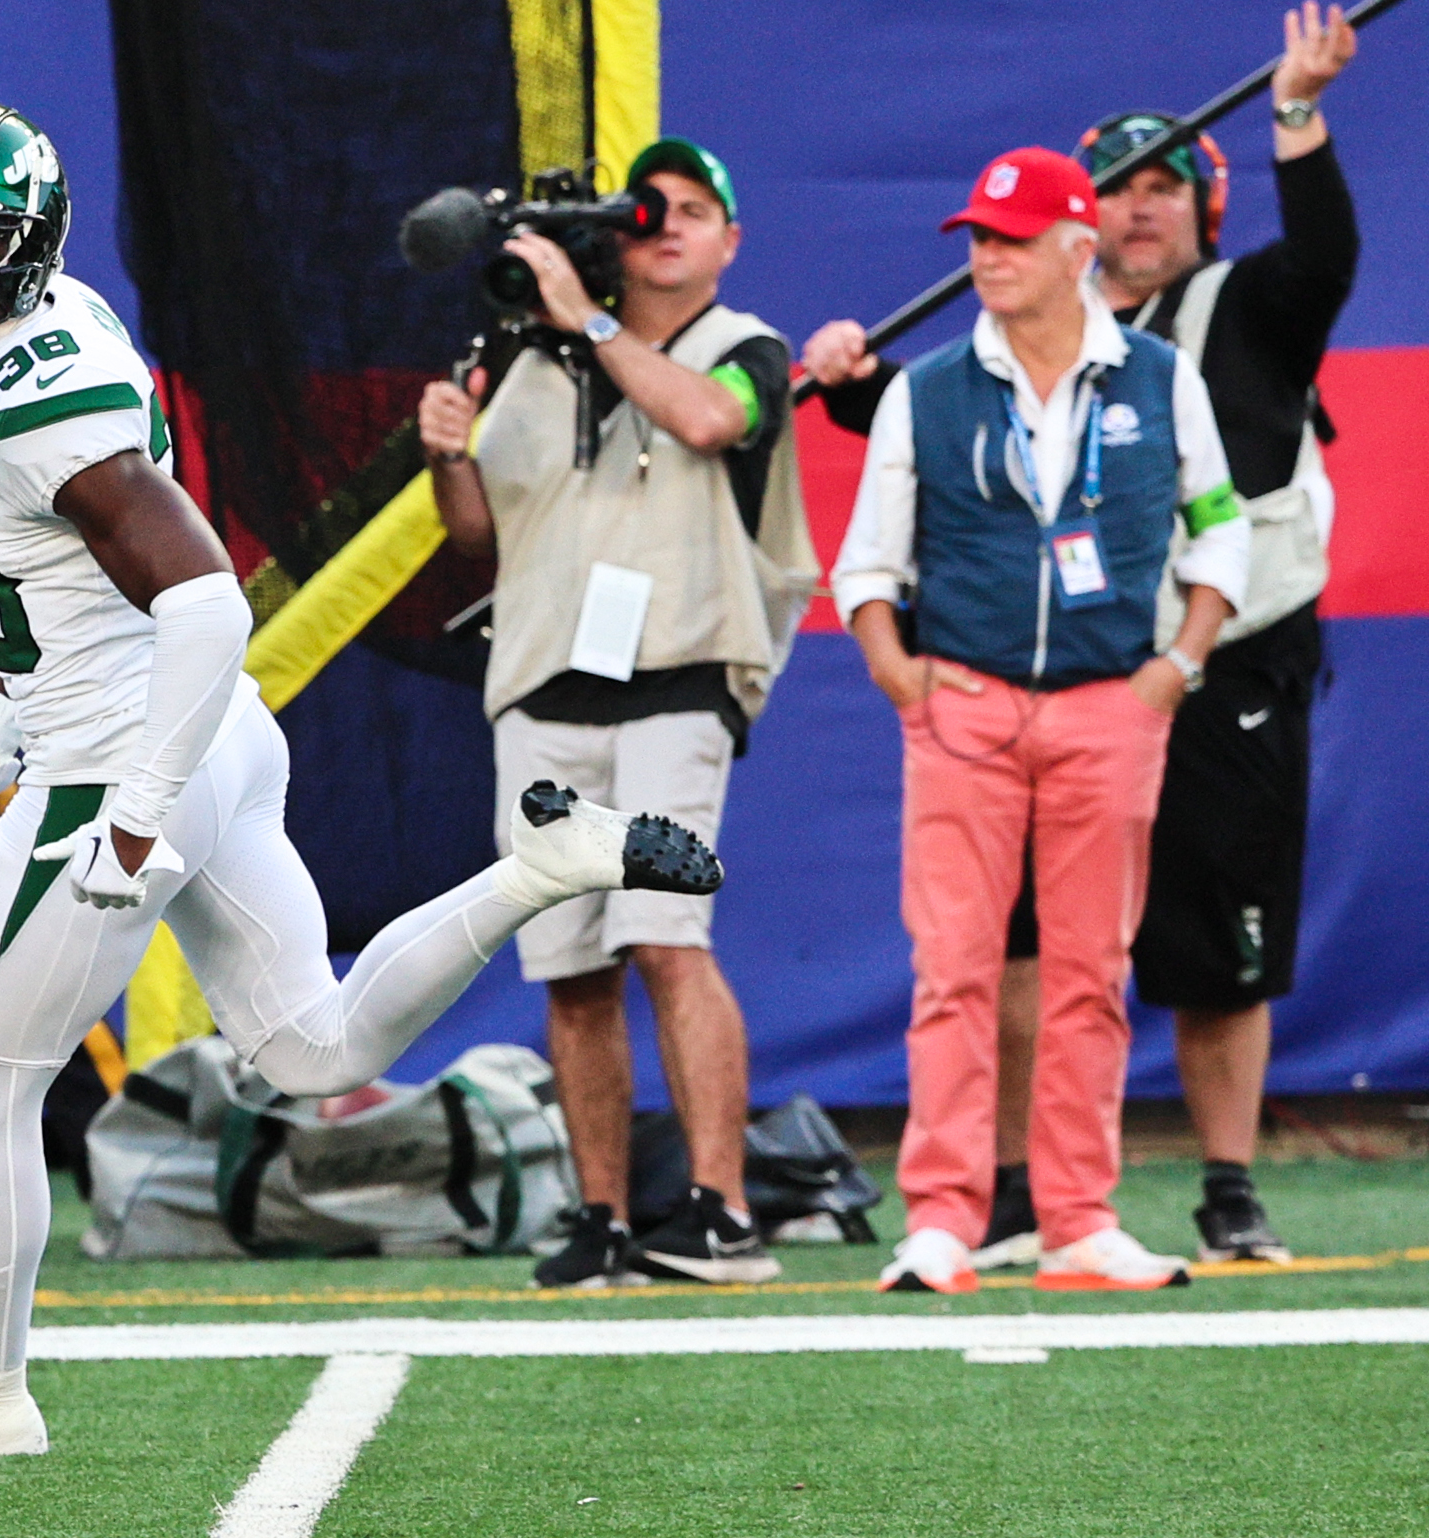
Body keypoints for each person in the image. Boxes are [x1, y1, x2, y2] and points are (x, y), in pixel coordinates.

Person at [0, 100, 724, 1458]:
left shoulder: (28, 388)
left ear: (20, 248)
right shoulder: (39, 322)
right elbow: (77, 575)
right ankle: (542, 868)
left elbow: (199, 604)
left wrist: (124, 813)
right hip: (192, 735)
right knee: (317, 1047)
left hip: (134, 753)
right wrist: (15, 705)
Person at [804, 2, 1359, 1267]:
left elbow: (1321, 253)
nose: (1139, 209)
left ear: (1203, 205)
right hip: (1004, 687)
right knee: (985, 949)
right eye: (1117, 188)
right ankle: (985, 1196)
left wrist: (1295, 110)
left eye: (1166, 186)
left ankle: (1211, 1186)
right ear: (1080, 226)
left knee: (1198, 944)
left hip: (1201, 673)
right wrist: (849, 400)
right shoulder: (981, 358)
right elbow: (938, 458)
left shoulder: (1239, 314)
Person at [833, 147, 1249, 1294]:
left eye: (1010, 239)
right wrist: (901, 679)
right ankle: (942, 1219)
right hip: (961, 707)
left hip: (1111, 707)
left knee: (1086, 973)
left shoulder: (1159, 376)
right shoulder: (925, 388)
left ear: (1079, 250)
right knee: (952, 968)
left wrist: (1173, 666)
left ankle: (1075, 1216)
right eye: (975, 237)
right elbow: (865, 563)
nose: (984, 258)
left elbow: (1218, 528)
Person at [416, 137, 819, 1288]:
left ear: (729, 240)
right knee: (567, 964)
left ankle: (720, 1211)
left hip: (682, 667)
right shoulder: (530, 362)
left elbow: (707, 421)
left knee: (662, 933)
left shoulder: (748, 350)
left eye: (694, 208)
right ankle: (599, 1218)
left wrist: (586, 322)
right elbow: (477, 541)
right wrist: (447, 454)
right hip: (541, 677)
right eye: (648, 210)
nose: (666, 224)